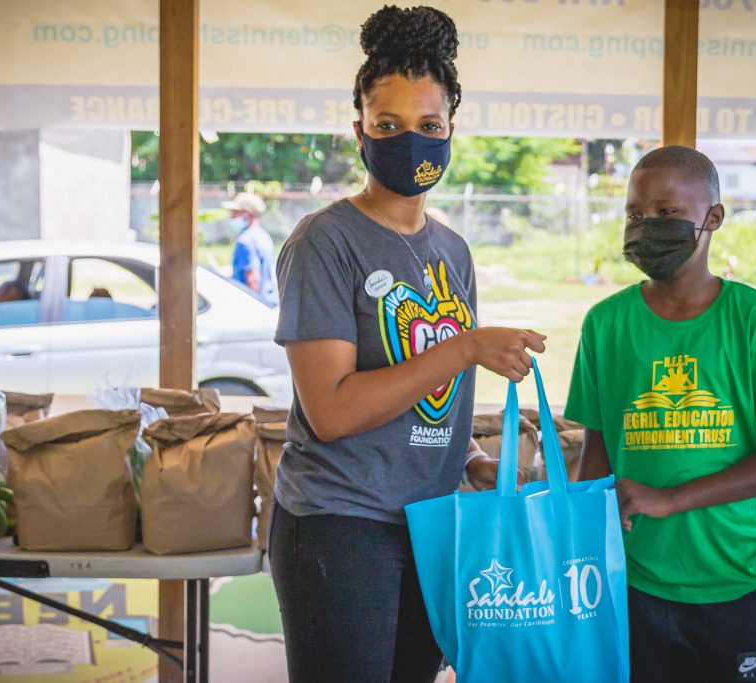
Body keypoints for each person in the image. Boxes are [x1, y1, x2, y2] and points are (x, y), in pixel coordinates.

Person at [268, 6, 546, 682]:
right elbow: (331, 411)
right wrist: (467, 347)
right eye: (388, 126)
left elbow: (430, 398)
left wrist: (469, 453)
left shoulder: (451, 248)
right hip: (341, 521)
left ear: (451, 131)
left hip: (432, 519)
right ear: (358, 130)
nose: (410, 143)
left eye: (429, 127)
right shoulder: (324, 241)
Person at [564, 146, 756, 683]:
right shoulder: (604, 325)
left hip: (733, 581)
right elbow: (596, 458)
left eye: (666, 214)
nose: (646, 226)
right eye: (634, 215)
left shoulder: (754, 319)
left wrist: (672, 499)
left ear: (713, 218)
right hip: (633, 582)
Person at [223, 191, 279, 305]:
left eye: (236, 212)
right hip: (269, 303)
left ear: (248, 214)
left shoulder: (245, 241)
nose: (232, 216)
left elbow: (253, 280)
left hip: (254, 307)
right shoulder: (264, 237)